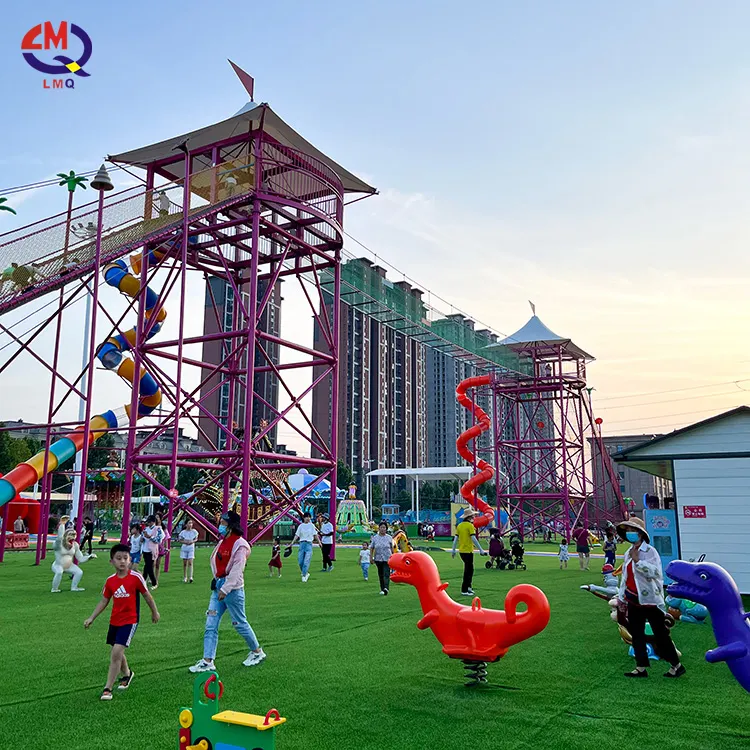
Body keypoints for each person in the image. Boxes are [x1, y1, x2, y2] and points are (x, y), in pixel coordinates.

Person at [189, 511, 265, 673]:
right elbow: (218, 563)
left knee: (239, 623)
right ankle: (207, 660)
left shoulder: (240, 545)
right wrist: (217, 581)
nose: (220, 525)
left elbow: (237, 570)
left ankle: (257, 652)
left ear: (231, 525)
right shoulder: (223, 541)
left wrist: (225, 588)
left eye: (223, 523)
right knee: (211, 623)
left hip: (233, 590)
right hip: (218, 587)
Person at [84, 543, 160, 701]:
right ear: (111, 561)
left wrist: (154, 612)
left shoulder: (136, 577)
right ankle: (127, 673)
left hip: (130, 621)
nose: (122, 561)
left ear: (130, 560)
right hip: (115, 621)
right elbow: (104, 601)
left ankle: (107, 688)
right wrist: (92, 617)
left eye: (125, 558)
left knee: (116, 653)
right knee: (117, 650)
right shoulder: (110, 581)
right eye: (118, 558)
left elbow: (147, 596)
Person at [616, 517, 685, 679]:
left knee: (660, 634)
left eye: (633, 530)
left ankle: (676, 665)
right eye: (628, 531)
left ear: (640, 534)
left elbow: (655, 573)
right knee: (637, 634)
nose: (630, 534)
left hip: (651, 601)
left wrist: (638, 561)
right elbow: (625, 577)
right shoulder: (628, 552)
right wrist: (621, 598)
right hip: (633, 599)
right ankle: (641, 667)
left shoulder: (650, 552)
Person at [451, 508, 487, 595]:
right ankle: (464, 589)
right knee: (468, 570)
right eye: (473, 516)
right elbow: (473, 538)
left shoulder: (460, 525)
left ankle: (469, 587)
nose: (474, 517)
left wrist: (453, 549)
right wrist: (481, 550)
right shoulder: (470, 526)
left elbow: (456, 538)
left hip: (462, 551)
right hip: (468, 551)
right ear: (469, 517)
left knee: (470, 569)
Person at [51, 527, 97, 592]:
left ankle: (74, 587)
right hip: (58, 565)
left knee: (79, 572)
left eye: (74, 535)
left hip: (69, 566)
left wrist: (89, 557)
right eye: (70, 535)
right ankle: (54, 589)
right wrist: (62, 524)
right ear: (65, 535)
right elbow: (59, 538)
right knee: (59, 572)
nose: (72, 537)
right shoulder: (59, 544)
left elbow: (80, 558)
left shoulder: (75, 545)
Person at [286, 512, 321, 583]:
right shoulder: (301, 526)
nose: (308, 518)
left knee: (306, 561)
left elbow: (315, 535)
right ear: (304, 518)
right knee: (300, 561)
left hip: (309, 544)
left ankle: (304, 575)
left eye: (309, 517)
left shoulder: (311, 526)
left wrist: (319, 542)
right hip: (302, 544)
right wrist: (291, 543)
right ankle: (306, 573)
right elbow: (297, 535)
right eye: (306, 517)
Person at [370, 521, 395, 595]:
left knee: (386, 573)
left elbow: (392, 548)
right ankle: (382, 588)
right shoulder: (375, 538)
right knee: (380, 574)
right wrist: (371, 557)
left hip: (387, 558)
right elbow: (372, 548)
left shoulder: (389, 538)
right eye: (381, 527)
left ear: (386, 529)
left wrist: (393, 557)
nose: (383, 529)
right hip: (378, 558)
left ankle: (386, 588)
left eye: (384, 527)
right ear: (379, 528)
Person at [141, 516, 163, 589]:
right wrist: (142, 538)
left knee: (149, 567)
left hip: (152, 550)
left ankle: (153, 582)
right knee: (147, 566)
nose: (148, 523)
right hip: (145, 549)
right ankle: (144, 581)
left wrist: (150, 537)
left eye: (149, 522)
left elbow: (159, 540)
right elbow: (142, 538)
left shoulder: (158, 529)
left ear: (153, 522)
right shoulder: (145, 529)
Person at [178, 519, 198, 583]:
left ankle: (191, 576)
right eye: (189, 523)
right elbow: (180, 540)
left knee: (190, 562)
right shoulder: (183, 532)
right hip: (184, 548)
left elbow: (196, 539)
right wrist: (185, 542)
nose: (190, 525)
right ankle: (185, 576)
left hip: (191, 548)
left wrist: (192, 541)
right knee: (184, 563)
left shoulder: (194, 531)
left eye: (191, 523)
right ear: (186, 524)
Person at [155, 519, 169, 584]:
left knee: (158, 564)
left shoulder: (164, 529)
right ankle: (151, 577)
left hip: (160, 548)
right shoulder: (153, 528)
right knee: (152, 563)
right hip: (153, 547)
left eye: (158, 517)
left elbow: (166, 539)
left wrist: (166, 548)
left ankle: (156, 579)